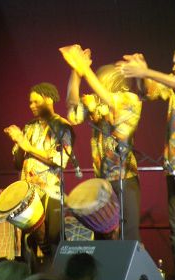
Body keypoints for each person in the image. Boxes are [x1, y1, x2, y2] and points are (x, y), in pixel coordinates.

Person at [119, 43, 175, 280]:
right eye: (173, 63)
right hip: (174, 167)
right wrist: (142, 77)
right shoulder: (173, 82)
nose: (174, 67)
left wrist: (147, 70)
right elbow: (149, 92)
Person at [61, 44, 142, 241]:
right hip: (103, 178)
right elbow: (73, 112)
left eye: (100, 80)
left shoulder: (129, 98)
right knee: (102, 236)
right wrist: (76, 73)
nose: (95, 83)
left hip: (125, 179)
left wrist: (85, 68)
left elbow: (112, 103)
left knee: (128, 234)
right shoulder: (96, 102)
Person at [4, 82, 74, 271]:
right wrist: (18, 144)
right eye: (30, 102)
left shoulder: (62, 126)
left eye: (36, 101)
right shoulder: (29, 126)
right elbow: (17, 163)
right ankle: (33, 278)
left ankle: (61, 278)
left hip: (50, 190)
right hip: (29, 192)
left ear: (49, 99)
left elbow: (59, 159)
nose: (31, 105)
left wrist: (27, 147)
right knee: (31, 241)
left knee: (53, 239)